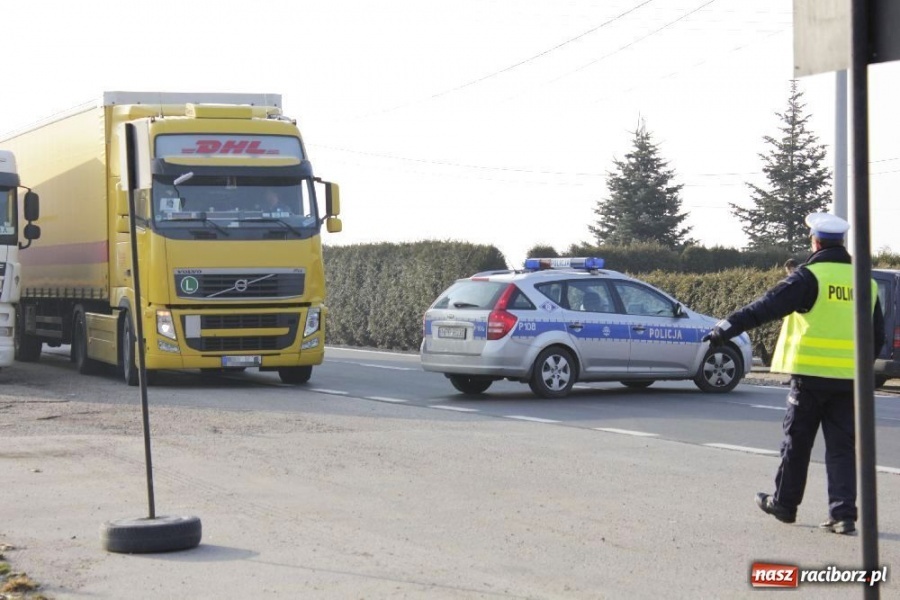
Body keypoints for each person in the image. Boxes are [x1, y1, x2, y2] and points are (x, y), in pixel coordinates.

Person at [702, 213, 884, 535]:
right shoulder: (865, 281)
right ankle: (843, 515)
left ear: (815, 242)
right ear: (841, 243)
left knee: (797, 443)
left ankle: (785, 505)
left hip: (810, 378)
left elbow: (764, 307)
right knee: (842, 448)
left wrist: (725, 328)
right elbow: (877, 335)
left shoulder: (808, 277)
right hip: (849, 381)